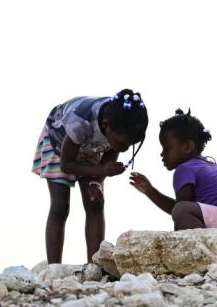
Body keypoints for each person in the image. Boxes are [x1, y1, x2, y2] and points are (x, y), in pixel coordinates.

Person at [129, 109, 217, 261]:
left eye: (167, 148)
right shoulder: (206, 165)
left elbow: (180, 211)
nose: (162, 154)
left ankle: (203, 261)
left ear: (188, 147)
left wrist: (150, 191)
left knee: (182, 210)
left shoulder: (185, 168)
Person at [32, 89, 148, 263]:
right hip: (59, 142)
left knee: (95, 203)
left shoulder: (121, 122)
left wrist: (96, 182)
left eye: (130, 145)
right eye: (122, 143)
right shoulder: (80, 121)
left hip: (90, 147)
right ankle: (54, 267)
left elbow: (111, 151)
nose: (124, 148)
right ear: (107, 125)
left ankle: (95, 265)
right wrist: (101, 171)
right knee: (60, 205)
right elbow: (67, 164)